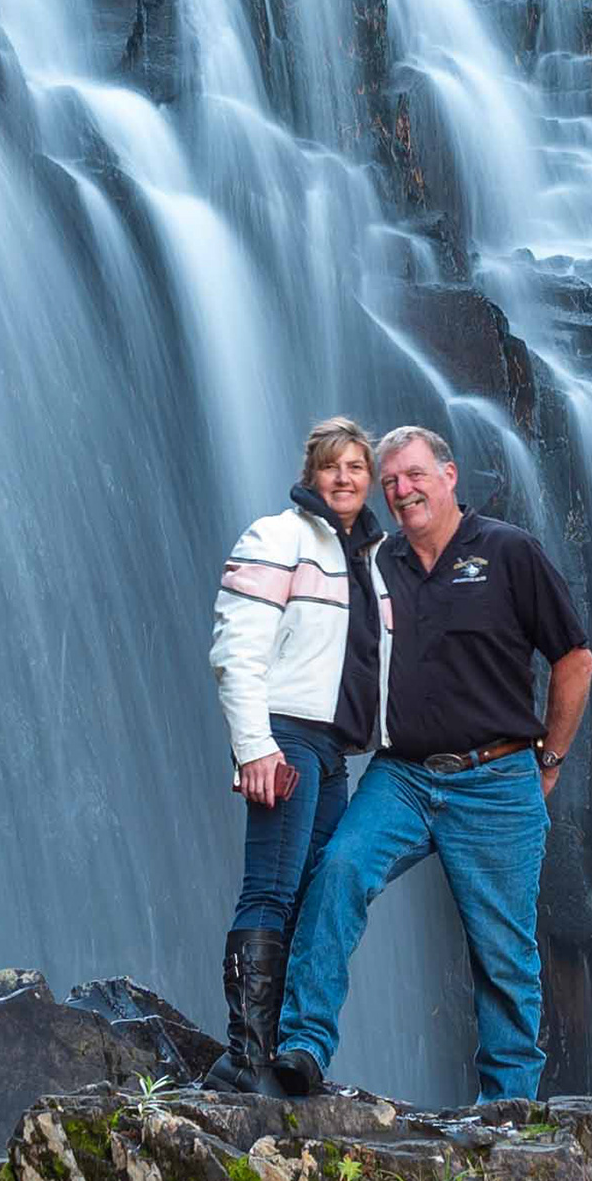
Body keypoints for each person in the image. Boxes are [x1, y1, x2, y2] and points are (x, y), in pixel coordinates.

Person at [273, 424, 592, 1103]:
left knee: (504, 951)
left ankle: (506, 1105)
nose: (401, 489)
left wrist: (552, 759)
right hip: (403, 775)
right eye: (389, 482)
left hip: (498, 776)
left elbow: (575, 658)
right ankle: (302, 1046)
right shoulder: (377, 562)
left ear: (449, 477)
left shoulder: (508, 551)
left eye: (414, 474)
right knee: (338, 871)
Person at [206, 415, 384, 1094]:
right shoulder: (277, 536)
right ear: (311, 474)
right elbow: (236, 648)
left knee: (311, 895)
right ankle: (245, 1059)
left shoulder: (365, 556)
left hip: (336, 750)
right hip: (288, 736)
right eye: (331, 466)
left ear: (369, 481)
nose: (343, 478)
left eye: (356, 468)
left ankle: (279, 1051)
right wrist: (256, 747)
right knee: (271, 889)